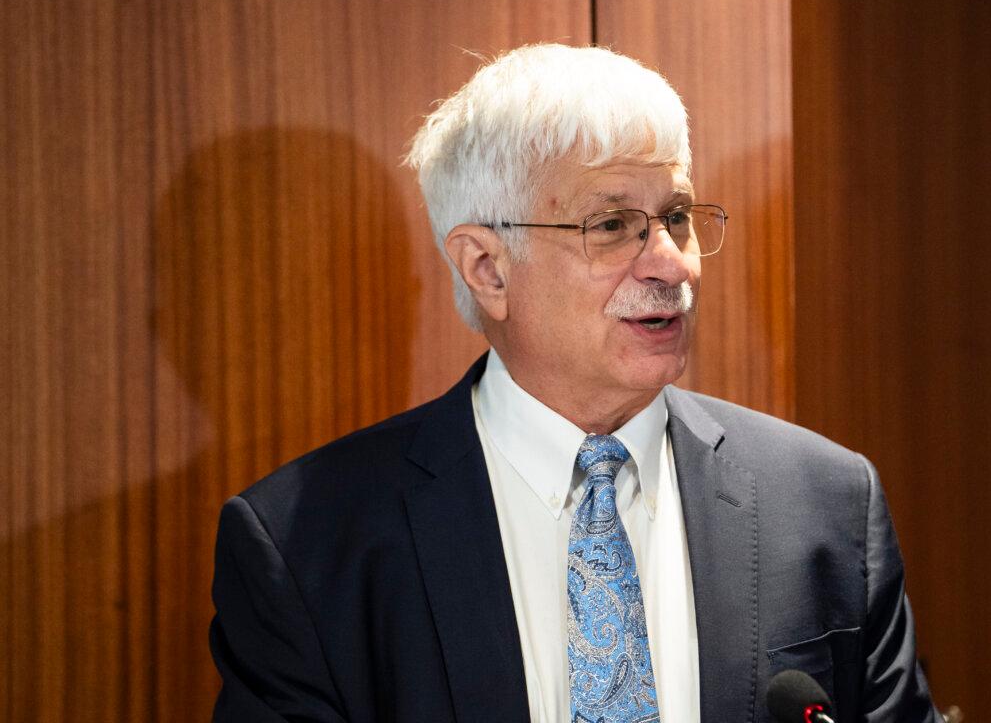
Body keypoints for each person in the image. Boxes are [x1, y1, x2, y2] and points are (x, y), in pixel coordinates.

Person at [209, 44, 939, 722]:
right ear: (487, 269)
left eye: (676, 218)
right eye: (614, 225)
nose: (673, 265)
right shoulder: (309, 546)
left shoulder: (826, 505)